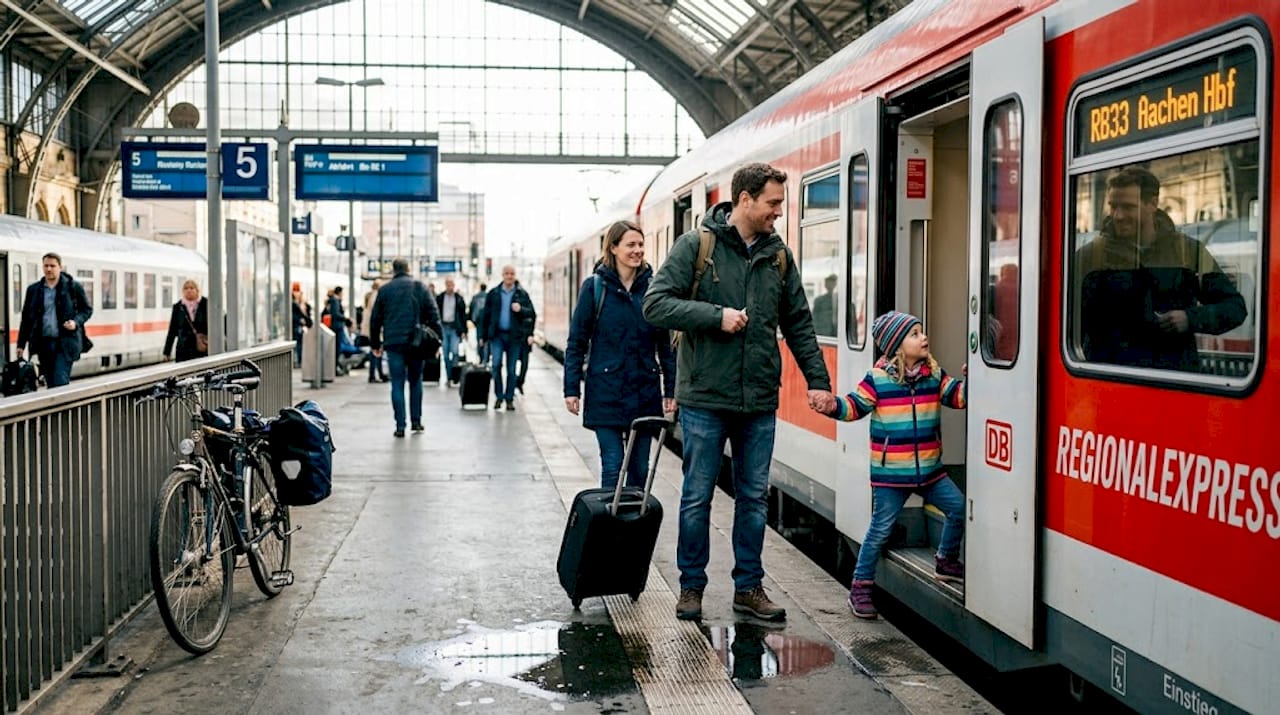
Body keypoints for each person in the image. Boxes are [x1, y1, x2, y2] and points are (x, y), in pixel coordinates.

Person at [642, 162, 831, 622]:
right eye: (773, 203)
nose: (778, 212)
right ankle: (691, 586)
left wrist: (818, 381)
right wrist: (716, 316)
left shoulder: (778, 256)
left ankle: (749, 587)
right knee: (697, 497)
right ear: (745, 199)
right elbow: (655, 305)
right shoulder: (696, 246)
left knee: (753, 499)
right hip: (706, 398)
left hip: (758, 399)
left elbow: (799, 323)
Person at [816, 310, 967, 620]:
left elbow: (958, 398)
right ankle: (860, 588)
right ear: (897, 345)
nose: (924, 337)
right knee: (879, 530)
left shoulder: (934, 375)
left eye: (922, 332)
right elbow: (854, 407)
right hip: (891, 475)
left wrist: (974, 379)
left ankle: (946, 560)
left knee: (959, 508)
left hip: (930, 471)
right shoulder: (878, 379)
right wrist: (832, 405)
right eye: (915, 334)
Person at [1076, 167, 1246, 372]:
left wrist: (1190, 318)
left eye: (1128, 207)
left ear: (1153, 204)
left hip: (1171, 380)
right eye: (1113, 206)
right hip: (1111, 379)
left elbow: (1234, 307)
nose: (1118, 216)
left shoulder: (1188, 252)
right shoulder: (1090, 256)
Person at [563, 220, 676, 488]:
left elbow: (665, 345)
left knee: (639, 470)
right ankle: (610, 517)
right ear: (613, 248)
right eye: (630, 245)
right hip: (606, 392)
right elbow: (577, 342)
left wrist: (671, 389)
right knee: (613, 465)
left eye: (641, 244)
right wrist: (571, 389)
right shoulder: (594, 288)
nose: (638, 250)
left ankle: (634, 517)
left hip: (643, 391)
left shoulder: (653, 289)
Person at [369, 258, 441, 438]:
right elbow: (434, 315)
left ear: (393, 270)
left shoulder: (385, 290)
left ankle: (400, 425)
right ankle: (416, 421)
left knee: (397, 383)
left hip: (393, 343)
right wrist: (438, 341)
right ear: (408, 269)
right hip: (417, 342)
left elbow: (375, 319)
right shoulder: (420, 287)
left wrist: (375, 344)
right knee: (416, 381)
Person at [16, 252, 93, 388]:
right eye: (46, 266)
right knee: (51, 382)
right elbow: (26, 319)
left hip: (64, 344)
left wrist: (75, 322)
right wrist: (21, 344)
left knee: (60, 381)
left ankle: (62, 402)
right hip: (43, 344)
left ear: (60, 267)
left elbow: (86, 310)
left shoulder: (73, 287)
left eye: (52, 266)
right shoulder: (33, 290)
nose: (49, 269)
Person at [482, 265, 536, 411]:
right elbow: (485, 315)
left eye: (512, 274)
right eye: (507, 273)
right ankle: (499, 396)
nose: (509, 276)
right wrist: (483, 336)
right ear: (502, 275)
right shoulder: (494, 293)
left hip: (514, 337)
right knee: (496, 365)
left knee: (511, 369)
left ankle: (509, 398)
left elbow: (531, 313)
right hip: (497, 336)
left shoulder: (521, 294)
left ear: (515, 275)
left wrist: (521, 309)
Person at [162, 279, 209, 362]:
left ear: (197, 290)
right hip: (183, 350)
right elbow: (172, 330)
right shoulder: (178, 307)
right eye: (186, 288)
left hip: (201, 349)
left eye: (192, 288)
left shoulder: (205, 304)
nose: (189, 290)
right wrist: (167, 352)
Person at [437, 277, 469, 386]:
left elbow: (463, 315)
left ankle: (455, 376)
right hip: (444, 327)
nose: (450, 287)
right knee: (446, 354)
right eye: (448, 285)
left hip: (455, 328)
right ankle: (449, 376)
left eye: (451, 285)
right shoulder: (440, 298)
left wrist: (464, 331)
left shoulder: (459, 298)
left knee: (455, 352)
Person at [362, 280, 386, 382]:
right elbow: (377, 314)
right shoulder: (376, 295)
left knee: (375, 351)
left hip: (370, 328)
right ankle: (375, 374)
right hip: (375, 329)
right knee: (376, 351)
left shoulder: (369, 295)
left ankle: (375, 374)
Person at [811, 273, 838, 338]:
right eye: (829, 282)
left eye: (833, 282)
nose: (831, 285)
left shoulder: (840, 301)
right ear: (825, 285)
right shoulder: (819, 301)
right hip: (824, 334)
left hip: (837, 334)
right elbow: (815, 319)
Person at [291, 284, 312, 366]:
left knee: (300, 344)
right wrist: (300, 320)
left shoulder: (303, 304)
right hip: (296, 327)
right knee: (297, 344)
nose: (297, 293)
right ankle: (297, 360)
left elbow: (307, 317)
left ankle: (299, 360)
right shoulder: (293, 304)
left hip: (301, 327)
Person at [469, 282, 488, 363]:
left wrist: (472, 319)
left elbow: (471, 308)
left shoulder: (475, 297)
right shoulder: (488, 296)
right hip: (487, 320)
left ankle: (481, 356)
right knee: (486, 339)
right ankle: (485, 358)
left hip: (478, 320)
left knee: (479, 338)